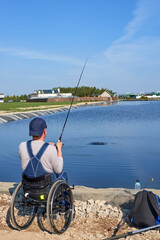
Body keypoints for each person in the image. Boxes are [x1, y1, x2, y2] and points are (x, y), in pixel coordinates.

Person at [19, 117, 67, 182]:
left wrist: (46, 145)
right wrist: (59, 149)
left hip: (28, 186)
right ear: (44, 131)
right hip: (45, 187)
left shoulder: (22, 146)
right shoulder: (51, 149)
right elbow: (58, 170)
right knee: (63, 174)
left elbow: (35, 147)